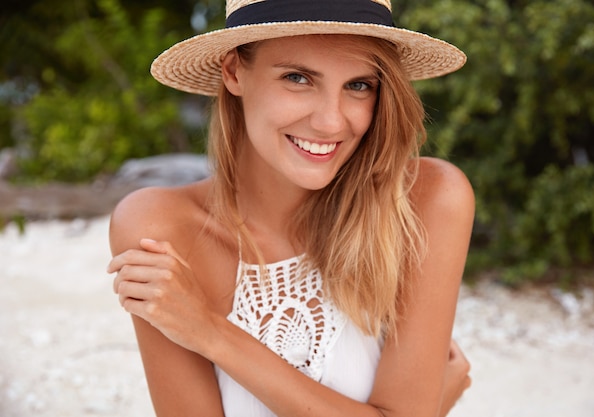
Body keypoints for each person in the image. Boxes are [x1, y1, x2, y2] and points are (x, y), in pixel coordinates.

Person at [107, 1, 474, 416]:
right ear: (233, 71)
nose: (332, 123)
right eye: (298, 78)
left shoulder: (427, 200)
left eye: (358, 86)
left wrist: (212, 334)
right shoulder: (161, 225)